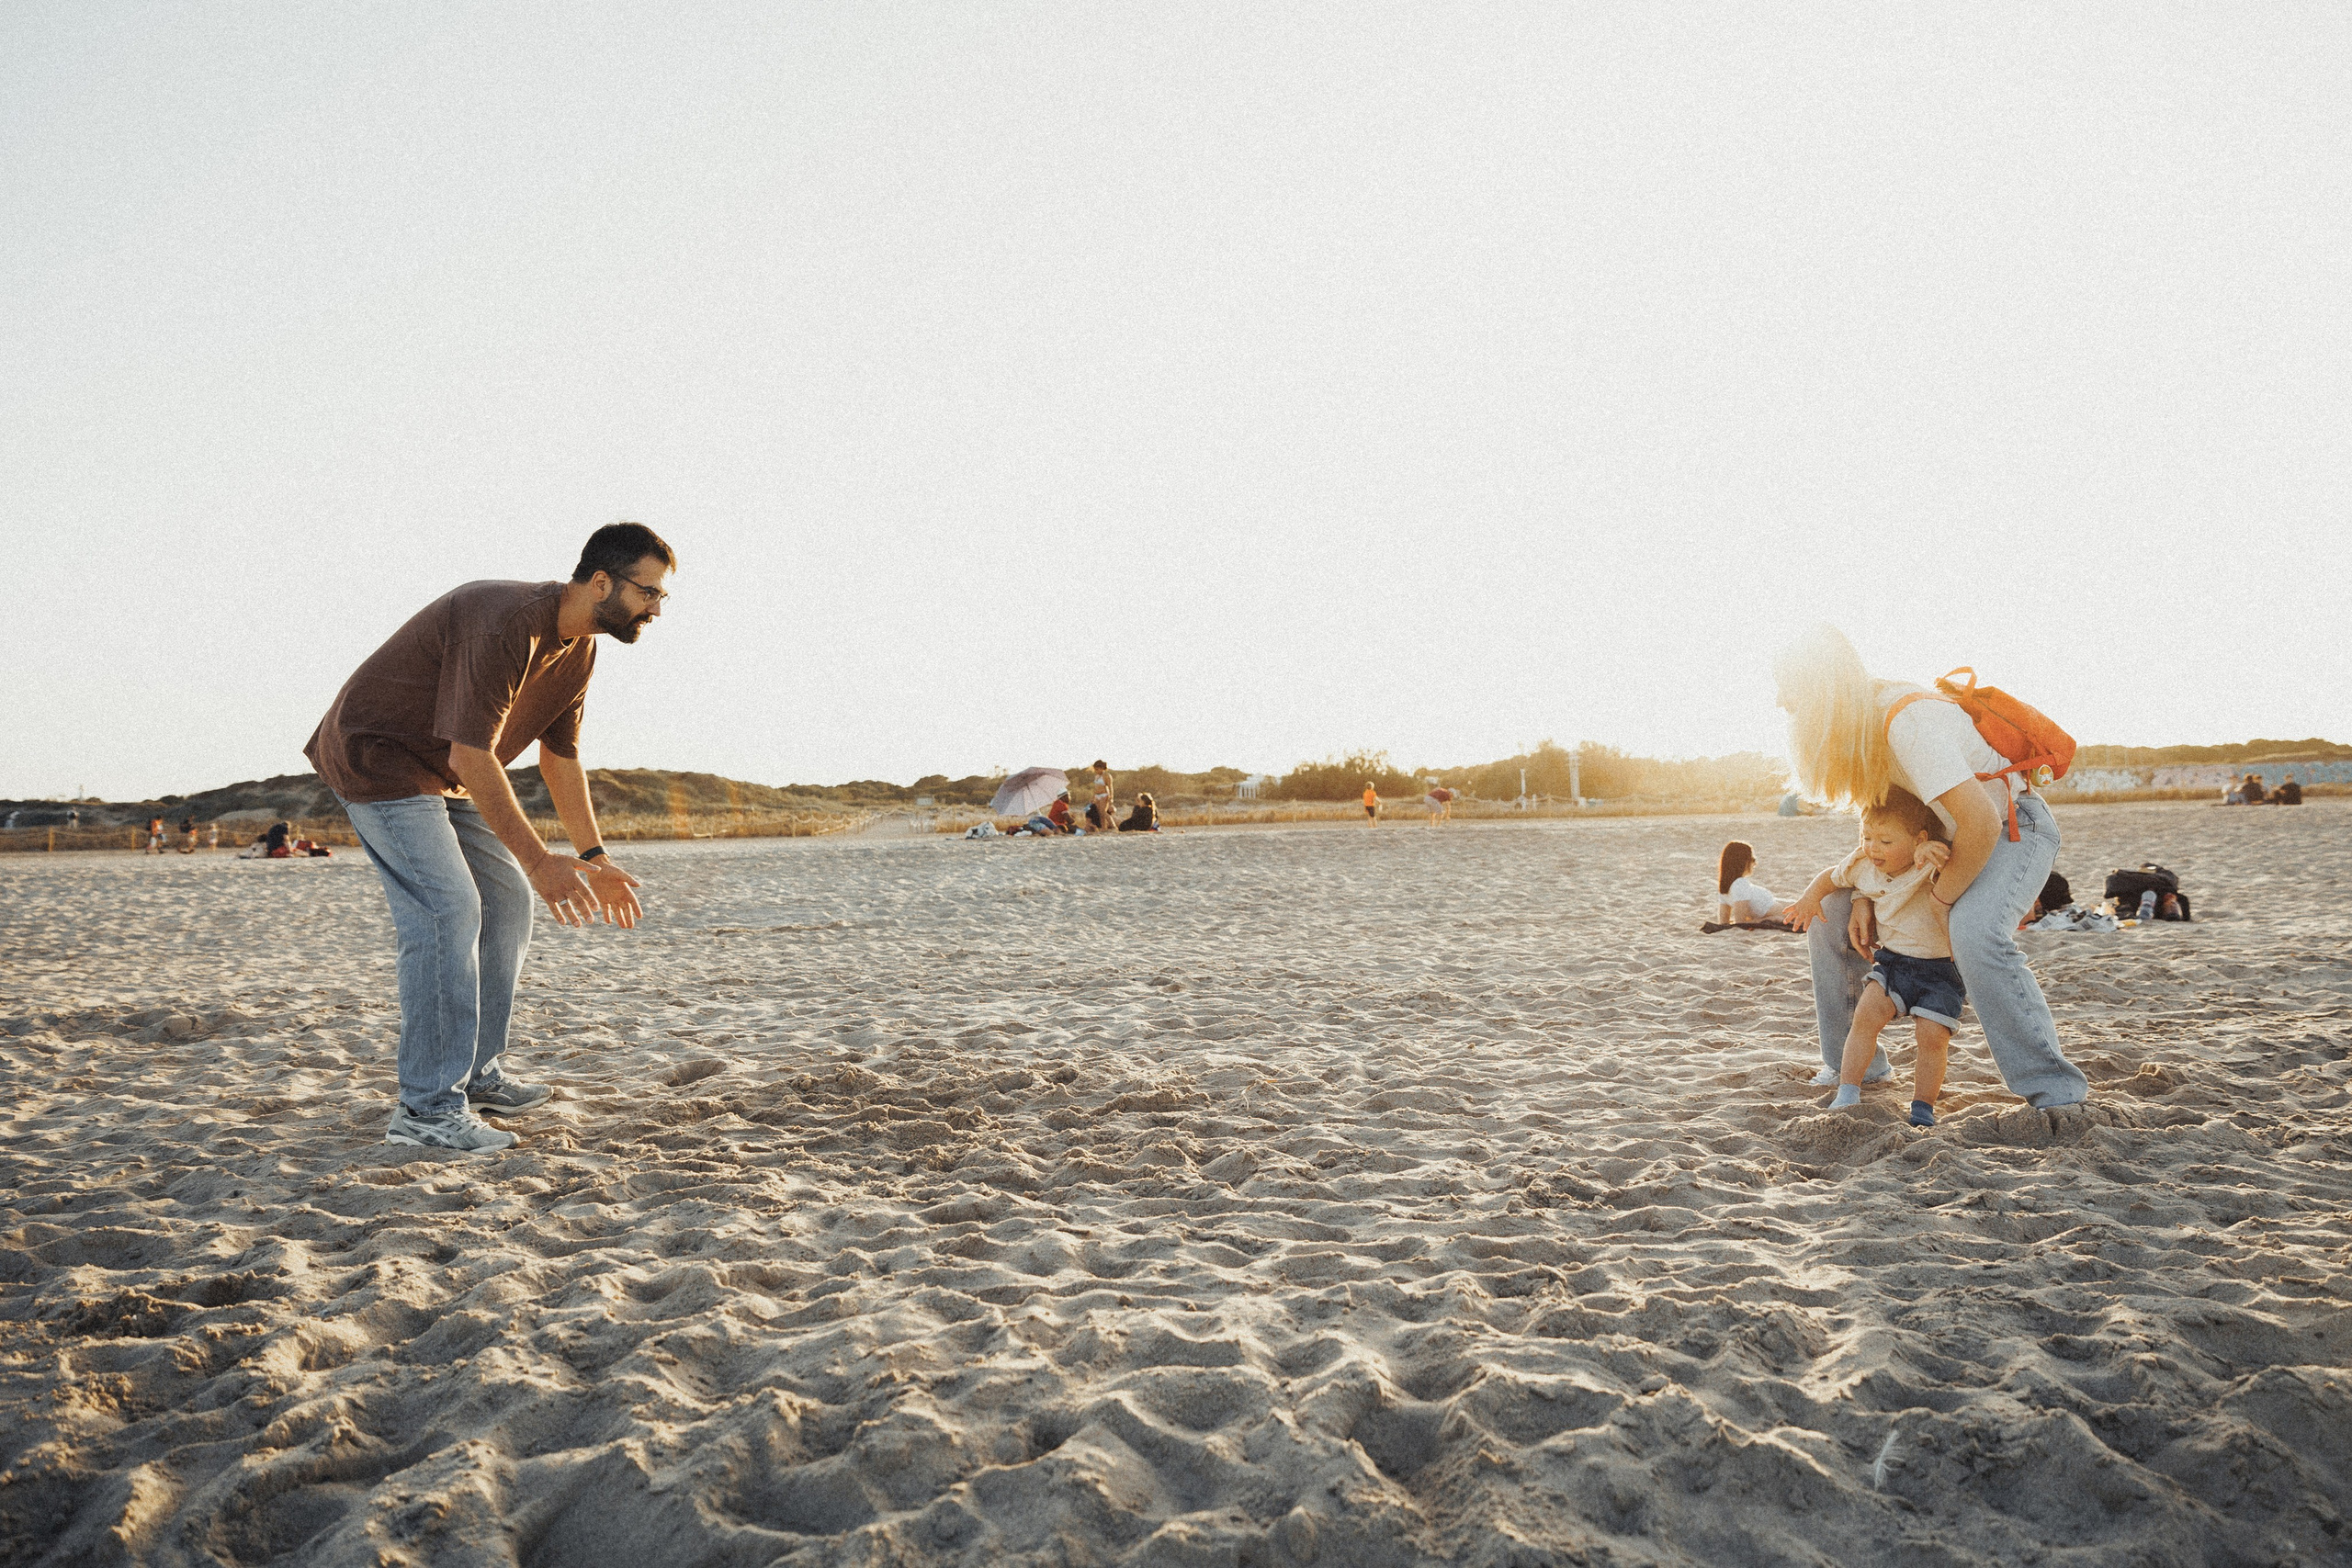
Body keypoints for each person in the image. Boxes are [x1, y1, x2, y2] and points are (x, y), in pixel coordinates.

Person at [305, 522, 670, 1155]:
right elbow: (475, 756)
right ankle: (425, 1108)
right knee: (448, 910)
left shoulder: (579, 650)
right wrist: (538, 859)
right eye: (650, 592)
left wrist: (593, 856)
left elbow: (561, 760)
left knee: (507, 901)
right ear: (602, 581)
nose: (657, 609)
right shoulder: (504, 622)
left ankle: (474, 1073)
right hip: (380, 755)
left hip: (444, 772)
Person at [1774, 625, 2089, 1110]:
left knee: (1973, 932)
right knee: (1831, 912)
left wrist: (1943, 899)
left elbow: (1981, 822)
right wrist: (1863, 894)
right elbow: (1885, 824)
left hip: (2012, 829)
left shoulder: (1906, 722)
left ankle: (2056, 1092)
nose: (1780, 703)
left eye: (1790, 692)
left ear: (1823, 692)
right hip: (1938, 843)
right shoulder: (1861, 728)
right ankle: (1855, 1069)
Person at [1784, 789, 1959, 1127]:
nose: (1873, 847)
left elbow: (1956, 862)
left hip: (1939, 969)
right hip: (1893, 963)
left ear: (1918, 839)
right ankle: (1848, 1089)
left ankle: (1922, 1107)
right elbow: (1830, 876)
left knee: (1932, 1037)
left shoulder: (1928, 862)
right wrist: (1810, 898)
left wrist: (1928, 849)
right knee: (1865, 1018)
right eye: (1867, 837)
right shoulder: (1863, 865)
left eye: (1886, 841)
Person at [1714, 841, 1786, 924]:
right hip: (1788, 913)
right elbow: (1740, 923)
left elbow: (1724, 922)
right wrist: (1771, 919)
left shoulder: (1725, 886)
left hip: (1786, 908)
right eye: (1753, 859)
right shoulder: (1740, 884)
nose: (1755, 863)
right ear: (1742, 862)